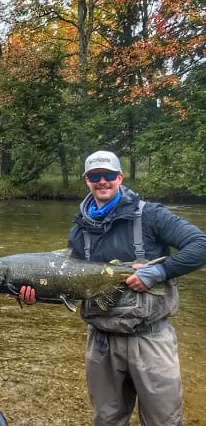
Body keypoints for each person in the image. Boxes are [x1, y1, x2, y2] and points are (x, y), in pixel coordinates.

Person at [19, 150, 206, 426]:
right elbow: (72, 288)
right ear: (87, 180)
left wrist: (159, 271)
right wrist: (38, 295)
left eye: (108, 175)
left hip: (150, 338)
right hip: (101, 341)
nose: (102, 181)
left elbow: (200, 246)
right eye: (95, 176)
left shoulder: (151, 215)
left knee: (163, 421)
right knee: (106, 420)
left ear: (120, 177)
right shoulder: (80, 230)